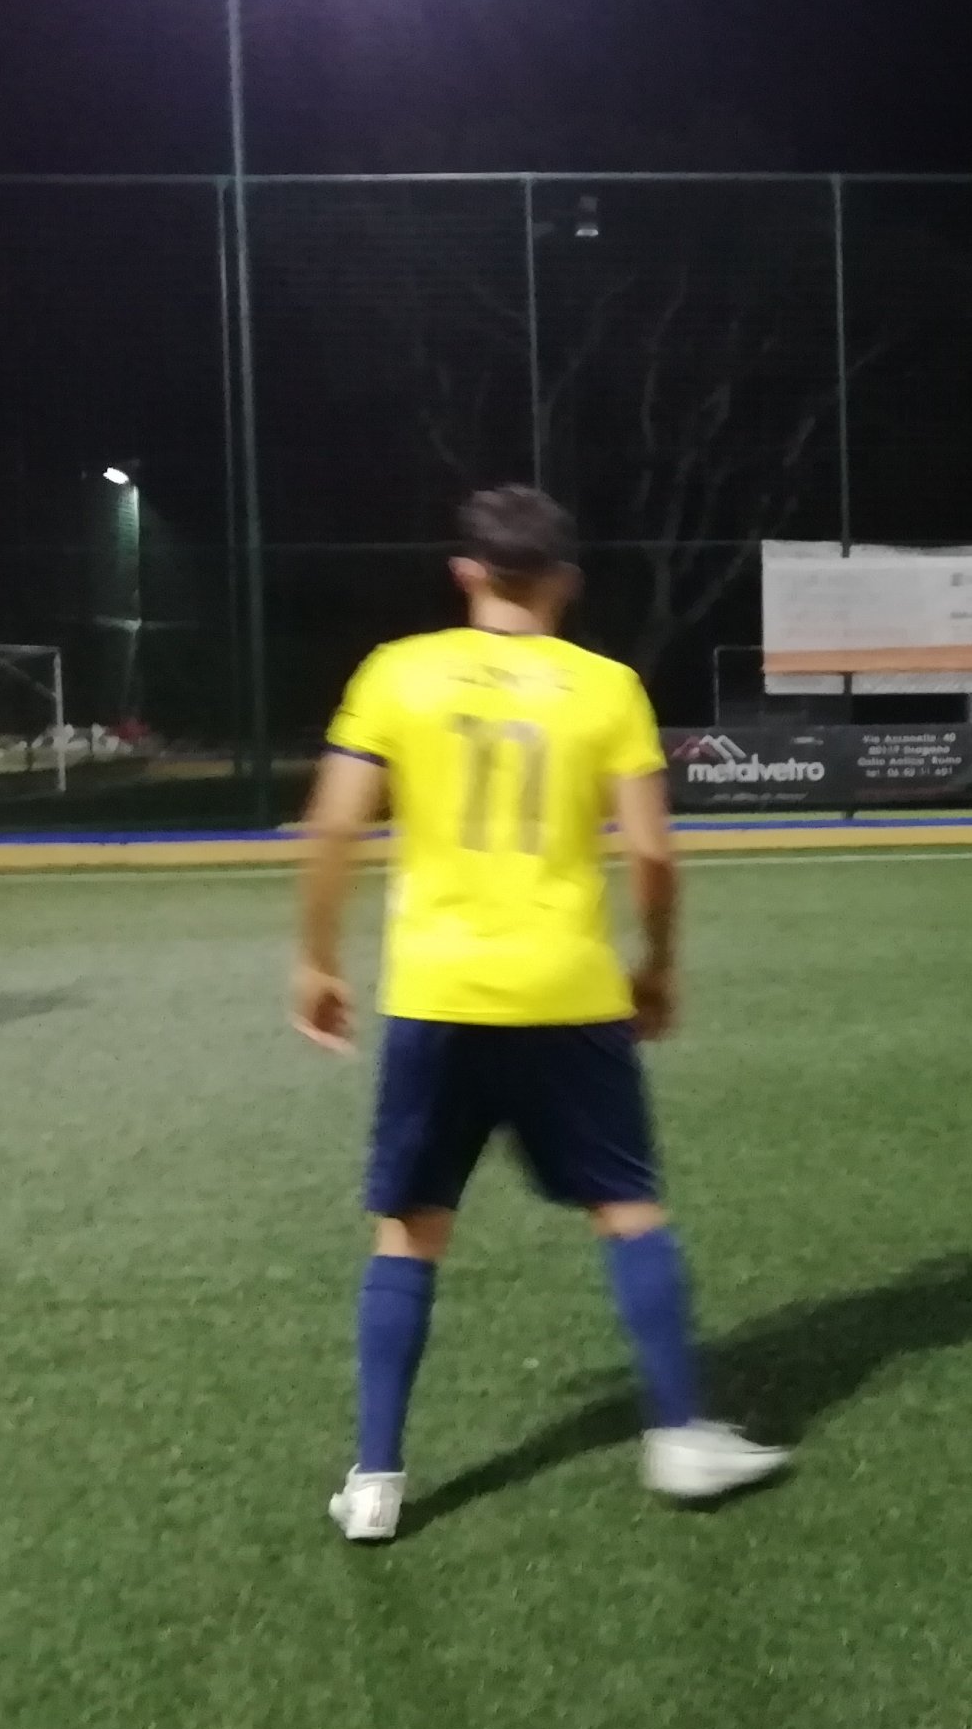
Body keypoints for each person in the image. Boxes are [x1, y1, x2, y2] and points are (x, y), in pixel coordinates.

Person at [292, 485, 789, 1543]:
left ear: (466, 572)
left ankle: (375, 1481)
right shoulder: (608, 687)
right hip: (570, 991)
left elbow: (331, 826)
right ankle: (680, 1436)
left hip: (436, 993)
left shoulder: (397, 671)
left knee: (410, 1230)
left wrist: (317, 960)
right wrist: (659, 966)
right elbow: (652, 852)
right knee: (627, 1206)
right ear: (565, 579)